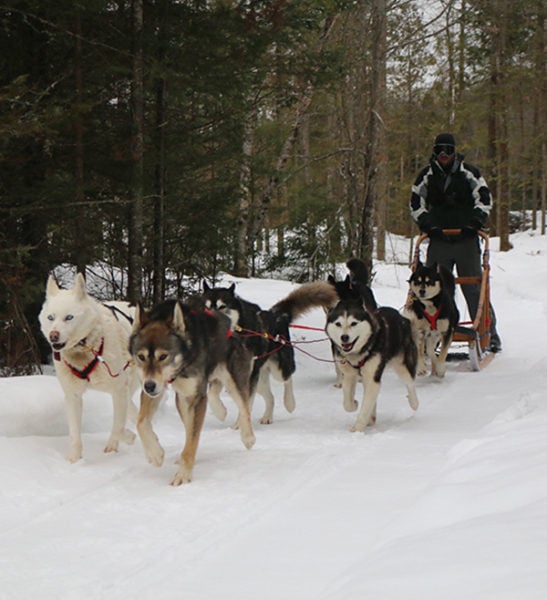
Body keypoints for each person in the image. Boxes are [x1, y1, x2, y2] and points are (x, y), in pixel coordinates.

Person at [409, 132, 502, 353]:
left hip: (466, 239)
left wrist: (475, 223)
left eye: (448, 150)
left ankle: (488, 332)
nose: (444, 155)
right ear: (434, 152)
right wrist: (428, 224)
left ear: (454, 151)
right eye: (439, 150)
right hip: (439, 239)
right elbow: (415, 203)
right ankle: (432, 332)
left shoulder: (469, 173)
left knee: (473, 287)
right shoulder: (426, 176)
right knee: (434, 289)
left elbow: (484, 198)